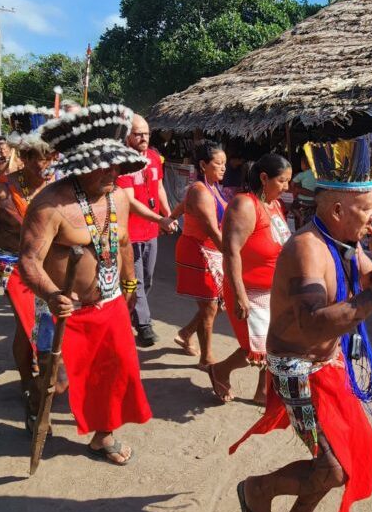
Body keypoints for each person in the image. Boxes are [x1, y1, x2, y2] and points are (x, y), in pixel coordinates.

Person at [230, 133, 372, 512]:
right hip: (297, 367)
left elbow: (366, 280)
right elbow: (311, 325)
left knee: (356, 448)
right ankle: (259, 490)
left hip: (329, 362)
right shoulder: (307, 249)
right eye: (368, 208)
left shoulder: (344, 240)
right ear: (338, 208)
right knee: (335, 466)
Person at [18, 102, 152, 463]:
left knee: (114, 373)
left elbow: (123, 242)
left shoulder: (120, 197)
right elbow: (28, 261)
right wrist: (50, 293)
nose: (113, 172)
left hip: (108, 304)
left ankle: (102, 437)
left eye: (118, 165)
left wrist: (128, 286)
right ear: (82, 166)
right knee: (57, 381)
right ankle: (35, 407)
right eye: (104, 166)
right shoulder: (50, 204)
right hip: (64, 309)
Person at [0, 131, 56, 422]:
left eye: (51, 159)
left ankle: (45, 371)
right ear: (25, 158)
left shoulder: (56, 189)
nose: (45, 167)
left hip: (48, 264)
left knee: (52, 324)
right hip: (12, 263)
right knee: (27, 323)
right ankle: (27, 381)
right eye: (40, 160)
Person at [207, 154, 292, 405]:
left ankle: (263, 391)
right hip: (248, 291)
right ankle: (220, 370)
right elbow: (231, 251)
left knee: (273, 344)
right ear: (264, 178)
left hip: (273, 290)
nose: (287, 187)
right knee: (254, 349)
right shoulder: (244, 205)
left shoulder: (275, 205)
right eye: (282, 181)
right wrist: (240, 296)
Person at [115, 114, 178, 347]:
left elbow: (159, 186)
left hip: (151, 230)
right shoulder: (123, 163)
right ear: (127, 135)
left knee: (147, 279)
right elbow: (130, 202)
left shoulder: (153, 157)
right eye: (138, 133)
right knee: (137, 280)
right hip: (128, 233)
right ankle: (144, 325)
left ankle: (131, 312)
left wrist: (168, 213)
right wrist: (160, 219)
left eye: (146, 133)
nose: (143, 137)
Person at [169, 141, 228, 369]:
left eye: (224, 163)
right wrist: (233, 257)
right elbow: (213, 230)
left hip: (213, 251)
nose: (223, 168)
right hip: (198, 251)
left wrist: (171, 217)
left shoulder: (211, 187)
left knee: (219, 304)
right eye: (218, 163)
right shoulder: (200, 191)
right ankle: (206, 358)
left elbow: (184, 206)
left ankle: (185, 333)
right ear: (203, 165)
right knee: (211, 306)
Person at [290, 155, 318, 229]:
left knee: (292, 207)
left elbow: (292, 183)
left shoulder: (302, 175)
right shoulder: (317, 174)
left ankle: (300, 217)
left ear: (304, 164)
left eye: (301, 164)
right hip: (314, 201)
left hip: (302, 201)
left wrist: (294, 190)